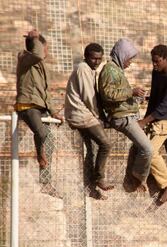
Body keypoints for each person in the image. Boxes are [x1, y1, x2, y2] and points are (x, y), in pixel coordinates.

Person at [98, 38, 153, 193]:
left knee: (139, 148)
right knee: (147, 149)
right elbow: (109, 95)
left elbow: (119, 96)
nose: (130, 62)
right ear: (122, 55)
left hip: (128, 115)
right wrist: (131, 91)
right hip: (123, 118)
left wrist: (136, 98)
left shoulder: (116, 70)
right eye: (129, 58)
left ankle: (132, 179)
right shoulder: (109, 70)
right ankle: (138, 177)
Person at [15, 29, 63, 198]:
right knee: (42, 133)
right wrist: (35, 39)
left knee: (49, 139)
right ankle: (39, 154)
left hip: (39, 107)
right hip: (27, 106)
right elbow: (37, 54)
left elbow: (45, 92)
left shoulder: (40, 66)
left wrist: (53, 111)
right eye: (45, 48)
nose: (47, 52)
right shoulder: (25, 58)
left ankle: (45, 182)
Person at [65, 43, 113, 200]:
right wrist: (99, 116)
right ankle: (99, 178)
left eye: (99, 59)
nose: (97, 62)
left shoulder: (89, 70)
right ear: (86, 57)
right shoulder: (84, 69)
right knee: (105, 144)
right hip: (81, 114)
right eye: (93, 58)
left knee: (92, 150)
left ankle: (90, 188)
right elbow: (89, 97)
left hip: (81, 113)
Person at [138, 45, 167, 203]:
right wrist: (144, 121)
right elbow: (155, 100)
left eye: (157, 61)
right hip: (155, 119)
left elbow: (165, 107)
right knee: (139, 148)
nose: (154, 65)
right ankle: (141, 180)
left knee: (149, 151)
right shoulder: (157, 73)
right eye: (153, 62)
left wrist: (144, 121)